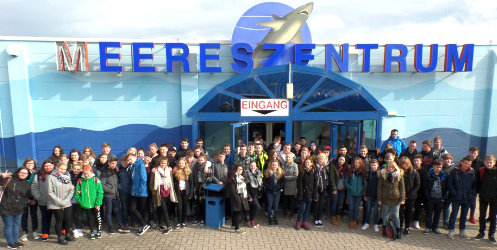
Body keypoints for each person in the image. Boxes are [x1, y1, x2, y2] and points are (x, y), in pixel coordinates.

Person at [0, 167, 31, 249]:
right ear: (17, 172)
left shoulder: (26, 184)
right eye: (21, 172)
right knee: (9, 225)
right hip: (6, 206)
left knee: (16, 225)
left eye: (25, 173)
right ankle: (10, 243)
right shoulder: (8, 179)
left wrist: (22, 204)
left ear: (28, 175)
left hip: (18, 207)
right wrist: (1, 177)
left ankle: (15, 240)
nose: (23, 174)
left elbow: (26, 196)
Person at [447, 156, 477, 240]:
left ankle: (462, 230)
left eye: (469, 164)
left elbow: (475, 186)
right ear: (461, 162)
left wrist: (471, 195)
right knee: (454, 214)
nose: (466, 165)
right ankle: (451, 230)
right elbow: (450, 183)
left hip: (467, 198)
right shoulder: (454, 171)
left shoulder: (472, 173)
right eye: (465, 163)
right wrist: (454, 193)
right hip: (456, 197)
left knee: (464, 215)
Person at [46, 162, 74, 245]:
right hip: (55, 204)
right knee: (59, 220)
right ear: (57, 167)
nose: (63, 170)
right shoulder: (51, 177)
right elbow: (49, 192)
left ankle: (67, 234)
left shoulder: (67, 177)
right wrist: (59, 201)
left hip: (67, 203)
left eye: (64, 169)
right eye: (61, 168)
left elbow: (71, 189)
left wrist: (66, 201)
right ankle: (60, 236)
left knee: (68, 219)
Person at [75, 164, 104, 240]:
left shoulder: (96, 180)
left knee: (97, 218)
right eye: (85, 173)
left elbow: (100, 192)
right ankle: (91, 231)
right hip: (86, 204)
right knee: (89, 218)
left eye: (88, 173)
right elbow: (77, 193)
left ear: (91, 171)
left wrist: (98, 203)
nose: (86, 175)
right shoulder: (80, 181)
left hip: (95, 204)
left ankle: (98, 231)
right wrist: (81, 202)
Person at [377, 161, 405, 240]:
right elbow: (379, 188)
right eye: (389, 167)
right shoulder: (383, 175)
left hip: (396, 199)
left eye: (392, 167)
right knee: (385, 215)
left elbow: (402, 188)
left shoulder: (399, 175)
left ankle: (398, 231)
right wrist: (379, 199)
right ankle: (385, 230)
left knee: (396, 215)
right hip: (385, 198)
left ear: (395, 167)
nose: (391, 168)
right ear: (387, 167)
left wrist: (402, 198)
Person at [100, 157, 128, 234]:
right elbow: (102, 185)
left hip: (115, 195)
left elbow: (117, 181)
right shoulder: (104, 172)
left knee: (118, 210)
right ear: (108, 163)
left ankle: (122, 225)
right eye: (112, 163)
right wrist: (111, 190)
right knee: (108, 211)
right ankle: (110, 227)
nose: (114, 165)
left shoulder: (115, 171)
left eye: (115, 163)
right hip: (108, 195)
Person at [474, 155, 497, 244]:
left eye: (490, 162)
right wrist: (478, 192)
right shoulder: (481, 171)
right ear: (484, 162)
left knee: (493, 217)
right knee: (482, 216)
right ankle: (481, 232)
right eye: (487, 162)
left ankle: (491, 235)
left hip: (495, 199)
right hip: (483, 197)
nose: (488, 164)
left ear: (494, 162)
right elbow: (477, 183)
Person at [149, 156, 175, 234]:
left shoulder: (169, 171)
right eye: (162, 163)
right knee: (162, 208)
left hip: (167, 191)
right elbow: (151, 183)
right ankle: (168, 226)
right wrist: (154, 191)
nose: (163, 164)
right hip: (159, 191)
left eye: (164, 163)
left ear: (167, 164)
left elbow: (171, 181)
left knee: (162, 207)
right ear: (159, 163)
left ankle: (161, 223)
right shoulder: (155, 171)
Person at [127, 153, 151, 235]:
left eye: (131, 159)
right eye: (128, 160)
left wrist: (140, 190)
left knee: (142, 209)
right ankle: (144, 224)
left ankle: (143, 225)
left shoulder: (140, 165)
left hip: (141, 192)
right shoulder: (133, 166)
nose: (129, 161)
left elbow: (143, 178)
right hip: (134, 192)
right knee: (132, 208)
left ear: (135, 158)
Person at [31, 159, 55, 241]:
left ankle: (62, 231)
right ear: (43, 167)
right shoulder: (38, 176)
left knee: (59, 218)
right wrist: (39, 198)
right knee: (45, 217)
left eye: (50, 165)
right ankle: (45, 232)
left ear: (53, 166)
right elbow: (34, 188)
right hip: (44, 201)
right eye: (46, 166)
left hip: (56, 202)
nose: (48, 167)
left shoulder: (58, 174)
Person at [423, 159, 446, 235]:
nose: (438, 169)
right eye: (436, 167)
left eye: (440, 167)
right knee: (429, 213)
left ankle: (435, 227)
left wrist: (444, 197)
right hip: (430, 198)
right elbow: (425, 186)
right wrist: (427, 196)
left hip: (440, 198)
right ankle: (428, 227)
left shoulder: (443, 175)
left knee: (438, 214)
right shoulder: (428, 174)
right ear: (433, 166)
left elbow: (446, 187)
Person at [398, 156, 420, 235]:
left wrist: (409, 194)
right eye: (402, 164)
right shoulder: (398, 172)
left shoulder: (414, 172)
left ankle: (407, 227)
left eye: (406, 164)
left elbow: (417, 185)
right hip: (401, 196)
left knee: (409, 212)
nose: (404, 165)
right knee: (400, 212)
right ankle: (400, 226)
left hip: (411, 197)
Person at [226, 164, 250, 234]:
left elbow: (245, 188)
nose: (240, 171)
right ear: (235, 169)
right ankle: (237, 228)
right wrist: (237, 198)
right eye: (238, 169)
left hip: (243, 197)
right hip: (236, 198)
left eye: (241, 169)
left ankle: (233, 225)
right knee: (238, 213)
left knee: (237, 212)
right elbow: (232, 190)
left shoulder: (242, 177)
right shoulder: (233, 177)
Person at [20, 158, 40, 242]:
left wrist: (35, 198)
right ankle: (24, 233)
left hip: (34, 198)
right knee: (24, 215)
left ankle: (35, 231)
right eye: (28, 163)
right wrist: (26, 199)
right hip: (23, 198)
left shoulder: (36, 173)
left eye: (32, 163)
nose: (30, 164)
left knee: (34, 215)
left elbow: (38, 187)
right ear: (25, 164)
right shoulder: (22, 173)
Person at [295, 158, 317, 230]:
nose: (307, 164)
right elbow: (299, 183)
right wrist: (300, 194)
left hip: (310, 193)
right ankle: (298, 222)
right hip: (303, 193)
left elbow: (315, 183)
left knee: (307, 209)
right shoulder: (302, 171)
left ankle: (304, 222)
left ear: (311, 163)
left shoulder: (313, 171)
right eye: (306, 162)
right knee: (302, 209)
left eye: (308, 162)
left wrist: (315, 194)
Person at [345, 157, 366, 229]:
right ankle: (351, 220)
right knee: (351, 207)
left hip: (359, 194)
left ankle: (355, 220)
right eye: (355, 163)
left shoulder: (362, 172)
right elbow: (346, 182)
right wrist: (351, 187)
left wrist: (361, 189)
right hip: (351, 193)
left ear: (361, 164)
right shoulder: (350, 171)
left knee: (356, 208)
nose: (357, 164)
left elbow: (364, 183)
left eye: (358, 163)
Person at [263, 160, 286, 226]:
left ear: (278, 165)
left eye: (275, 165)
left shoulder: (281, 172)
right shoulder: (267, 172)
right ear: (271, 165)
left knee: (276, 206)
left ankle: (275, 218)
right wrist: (269, 187)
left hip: (277, 192)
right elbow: (264, 182)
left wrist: (279, 187)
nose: (274, 166)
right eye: (273, 165)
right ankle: (269, 219)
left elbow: (283, 182)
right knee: (270, 205)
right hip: (269, 192)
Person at [172, 158, 192, 228]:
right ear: (178, 164)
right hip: (178, 192)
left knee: (184, 207)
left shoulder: (188, 172)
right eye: (180, 163)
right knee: (179, 207)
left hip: (186, 192)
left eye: (182, 163)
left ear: (185, 164)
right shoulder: (175, 171)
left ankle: (183, 221)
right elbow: (173, 182)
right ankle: (178, 222)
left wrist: (191, 193)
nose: (181, 164)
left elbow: (191, 183)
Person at [467, 147, 484, 224]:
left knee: (473, 202)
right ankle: (463, 215)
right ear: (469, 152)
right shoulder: (465, 160)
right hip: (465, 184)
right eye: (471, 152)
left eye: (475, 153)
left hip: (475, 185)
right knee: (464, 201)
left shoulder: (480, 162)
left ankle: (472, 216)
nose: (473, 154)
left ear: (477, 154)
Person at [362, 159, 380, 231]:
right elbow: (365, 185)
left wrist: (380, 197)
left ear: (377, 165)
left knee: (376, 211)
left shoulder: (380, 174)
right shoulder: (368, 173)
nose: (373, 167)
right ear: (370, 165)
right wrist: (365, 195)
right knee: (368, 210)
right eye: (372, 165)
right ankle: (367, 223)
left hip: (377, 196)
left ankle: (375, 224)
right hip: (368, 195)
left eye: (374, 165)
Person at [330, 155, 348, 226]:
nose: (341, 161)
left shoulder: (346, 168)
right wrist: (334, 188)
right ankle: (333, 216)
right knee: (334, 204)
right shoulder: (333, 167)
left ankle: (338, 215)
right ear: (338, 159)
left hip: (342, 189)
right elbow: (332, 179)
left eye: (343, 160)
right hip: (335, 189)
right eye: (340, 159)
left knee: (340, 204)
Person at [313, 153, 329, 227]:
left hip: (323, 189)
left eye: (322, 159)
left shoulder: (325, 168)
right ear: (317, 159)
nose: (320, 160)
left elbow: (327, 178)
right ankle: (315, 218)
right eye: (319, 159)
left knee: (321, 204)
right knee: (316, 204)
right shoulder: (314, 167)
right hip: (316, 189)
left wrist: (326, 185)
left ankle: (319, 218)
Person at [245, 161, 262, 228]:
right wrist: (249, 196)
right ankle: (251, 220)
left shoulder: (258, 172)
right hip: (250, 193)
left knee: (253, 207)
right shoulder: (246, 173)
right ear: (249, 166)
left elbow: (260, 183)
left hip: (256, 193)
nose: (253, 167)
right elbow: (246, 186)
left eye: (254, 165)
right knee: (258, 207)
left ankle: (251, 220)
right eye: (251, 165)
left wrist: (260, 193)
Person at [282, 152, 298, 220]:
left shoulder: (294, 165)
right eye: (287, 157)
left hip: (292, 186)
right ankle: (285, 213)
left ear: (292, 158)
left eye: (289, 157)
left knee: (292, 201)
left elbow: (296, 175)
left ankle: (291, 214)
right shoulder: (284, 164)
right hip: (285, 186)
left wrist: (286, 177)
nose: (288, 158)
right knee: (285, 201)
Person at [70, 163, 84, 238]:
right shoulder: (69, 176)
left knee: (79, 215)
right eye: (74, 169)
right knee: (71, 215)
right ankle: (74, 229)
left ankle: (79, 228)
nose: (76, 170)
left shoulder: (82, 176)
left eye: (78, 169)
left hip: (79, 199)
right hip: (70, 199)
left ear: (81, 169)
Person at [442, 153, 455, 228]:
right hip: (442, 190)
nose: (446, 161)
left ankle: (446, 222)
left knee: (447, 207)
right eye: (445, 159)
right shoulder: (441, 167)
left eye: (448, 159)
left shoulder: (453, 169)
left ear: (451, 160)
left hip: (449, 191)